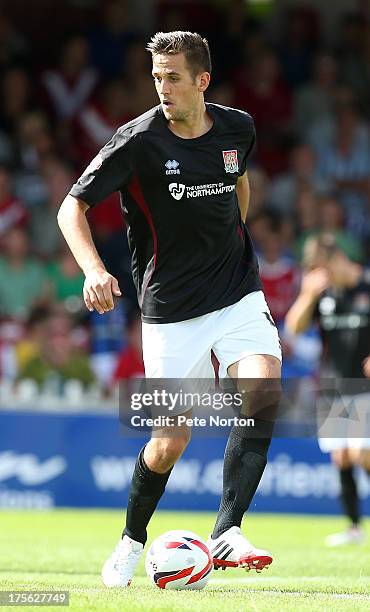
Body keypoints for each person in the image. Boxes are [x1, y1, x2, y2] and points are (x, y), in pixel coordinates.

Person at [57, 31, 281, 587]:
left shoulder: (238, 127)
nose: (162, 87)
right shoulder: (137, 141)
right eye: (156, 77)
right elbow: (71, 208)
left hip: (236, 291)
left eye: (172, 77)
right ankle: (131, 542)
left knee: (262, 392)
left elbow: (239, 184)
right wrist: (93, 270)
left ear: (202, 80)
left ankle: (226, 531)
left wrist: (233, 237)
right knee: (168, 442)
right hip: (170, 308)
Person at [286, 233, 370, 546]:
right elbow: (293, 329)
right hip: (335, 385)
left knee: (363, 454)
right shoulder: (321, 294)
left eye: (320, 269)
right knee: (342, 457)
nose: (318, 277)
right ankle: (353, 528)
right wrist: (307, 296)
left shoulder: (366, 284)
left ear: (335, 260)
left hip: (366, 386)